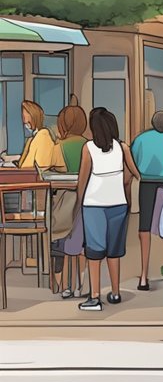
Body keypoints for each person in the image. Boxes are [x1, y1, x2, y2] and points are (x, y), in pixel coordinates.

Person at [75, 108, 141, 311]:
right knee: (114, 251)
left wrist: (78, 202)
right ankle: (115, 292)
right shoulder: (123, 148)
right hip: (118, 204)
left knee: (94, 252)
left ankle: (95, 297)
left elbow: (82, 179)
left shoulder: (88, 148)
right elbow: (136, 173)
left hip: (94, 204)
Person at [131, 111, 163, 291]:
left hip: (147, 183)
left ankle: (143, 276)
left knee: (144, 228)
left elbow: (132, 161)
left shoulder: (142, 138)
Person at [49, 104, 90, 297]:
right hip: (87, 201)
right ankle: (81, 283)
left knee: (63, 244)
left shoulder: (59, 147)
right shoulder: (89, 145)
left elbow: (52, 170)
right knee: (82, 245)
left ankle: (64, 285)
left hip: (65, 201)